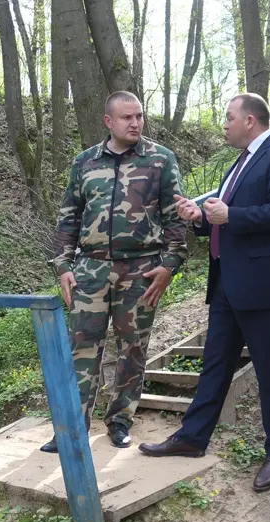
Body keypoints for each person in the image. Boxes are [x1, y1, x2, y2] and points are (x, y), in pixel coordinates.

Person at [139, 93, 270, 494]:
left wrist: (230, 214)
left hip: (262, 284)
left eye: (229, 118)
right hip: (226, 282)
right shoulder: (239, 163)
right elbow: (225, 219)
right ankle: (192, 437)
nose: (224, 124)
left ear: (250, 120)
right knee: (215, 365)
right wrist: (199, 218)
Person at [44, 90, 188, 453]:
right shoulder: (85, 162)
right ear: (108, 121)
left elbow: (176, 218)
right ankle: (72, 428)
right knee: (81, 348)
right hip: (90, 269)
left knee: (133, 348)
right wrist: (63, 266)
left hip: (142, 270)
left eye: (139, 116)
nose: (136, 123)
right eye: (127, 117)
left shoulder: (160, 159)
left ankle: (120, 421)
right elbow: (68, 218)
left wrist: (169, 265)